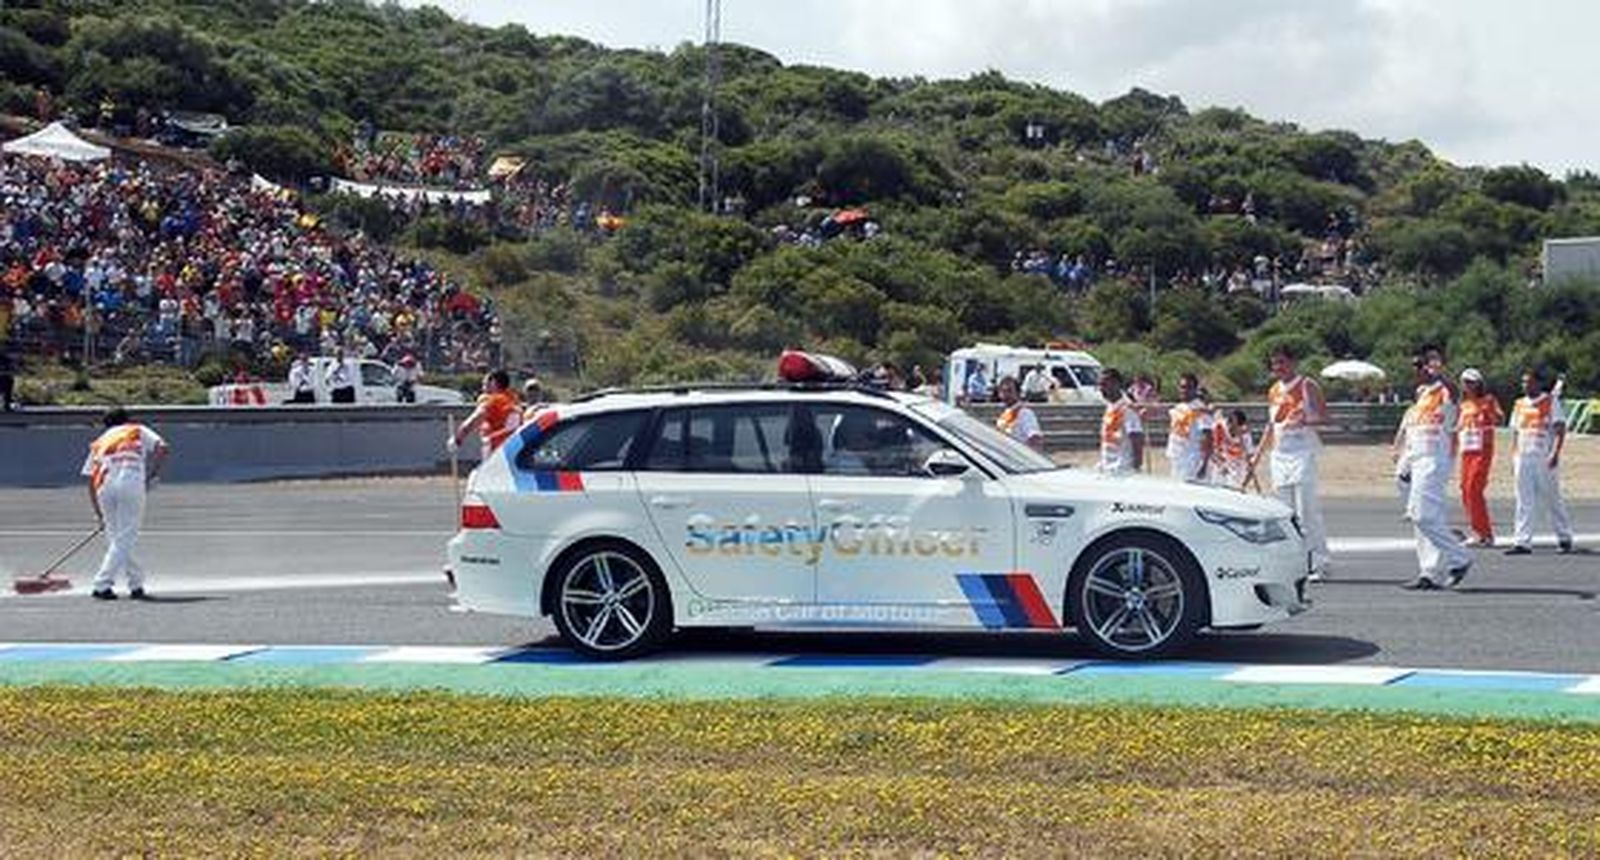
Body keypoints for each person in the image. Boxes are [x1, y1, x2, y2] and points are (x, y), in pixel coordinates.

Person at [1252, 344, 1331, 578]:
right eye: (1274, 363)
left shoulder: (1307, 385)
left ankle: (1319, 561)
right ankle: (1296, 562)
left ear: (1293, 362)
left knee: (1307, 511)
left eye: (1282, 362)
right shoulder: (1274, 390)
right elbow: (1272, 425)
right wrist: (1258, 454)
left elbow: (1325, 417)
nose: (1278, 367)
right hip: (1280, 455)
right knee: (1286, 513)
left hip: (1302, 453)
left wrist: (1306, 420)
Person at [1398, 347, 1473, 590]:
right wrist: (1406, 462)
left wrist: (1437, 373)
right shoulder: (1421, 395)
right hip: (1418, 459)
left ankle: (1459, 557)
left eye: (1420, 366)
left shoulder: (1446, 391)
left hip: (1435, 460)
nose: (1417, 371)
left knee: (1421, 515)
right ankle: (1428, 572)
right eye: (1415, 367)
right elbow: (1415, 431)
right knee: (1421, 517)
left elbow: (1452, 390)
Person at [81, 408, 169, 600]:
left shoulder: (100, 441)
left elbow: (90, 479)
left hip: (104, 486)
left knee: (116, 538)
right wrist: (151, 475)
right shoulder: (135, 429)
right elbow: (162, 447)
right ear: (126, 420)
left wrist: (98, 513)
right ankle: (101, 584)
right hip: (130, 482)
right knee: (126, 536)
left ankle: (136, 583)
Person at [1505, 368, 1574, 555]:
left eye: (1529, 382)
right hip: (1523, 458)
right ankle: (1522, 541)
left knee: (1552, 498)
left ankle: (1564, 537)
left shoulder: (1551, 402)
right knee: (1523, 500)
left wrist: (1555, 453)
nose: (1525, 385)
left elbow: (1560, 430)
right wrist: (1513, 457)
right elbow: (1515, 432)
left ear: (1538, 383)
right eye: (1523, 382)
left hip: (1544, 458)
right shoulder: (1519, 404)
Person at [1457, 368, 1504, 546]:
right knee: (1465, 489)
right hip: (1466, 450)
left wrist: (1489, 413)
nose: (1467, 385)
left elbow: (1500, 418)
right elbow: (1458, 426)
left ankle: (1485, 534)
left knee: (1474, 489)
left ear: (1479, 383)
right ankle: (1478, 531)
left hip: (1482, 449)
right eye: (1464, 381)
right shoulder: (1463, 403)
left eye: (1471, 382)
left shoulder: (1489, 400)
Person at [449, 369, 522, 460]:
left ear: (494, 383)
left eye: (485, 384)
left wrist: (457, 439)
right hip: (517, 447)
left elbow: (473, 421)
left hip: (499, 449)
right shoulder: (513, 399)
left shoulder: (494, 400)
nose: (483, 388)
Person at [1166, 373, 1214, 482]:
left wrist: (1204, 465)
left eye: (1188, 387)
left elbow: (1209, 438)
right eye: (1182, 387)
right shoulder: (1178, 407)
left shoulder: (1200, 410)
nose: (1184, 390)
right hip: (1176, 457)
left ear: (1195, 389)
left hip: (1191, 460)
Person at [1096, 368, 1144, 475]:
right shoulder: (1110, 407)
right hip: (1107, 467)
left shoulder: (1127, 408)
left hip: (1122, 469)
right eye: (1099, 385)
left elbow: (1137, 438)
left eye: (1105, 385)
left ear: (1116, 384)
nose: (1101, 389)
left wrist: (1136, 468)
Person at [994, 375, 1044, 452]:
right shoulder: (1004, 415)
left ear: (1018, 393)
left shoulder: (1024, 413)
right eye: (1003, 391)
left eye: (1009, 391)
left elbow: (1035, 440)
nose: (1005, 395)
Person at [1211, 409, 1257, 491]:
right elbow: (1213, 449)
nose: (1231, 429)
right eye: (1230, 425)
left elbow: (1250, 458)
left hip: (1237, 465)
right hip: (1221, 463)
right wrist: (1221, 465)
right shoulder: (1219, 428)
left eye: (1235, 427)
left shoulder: (1245, 435)